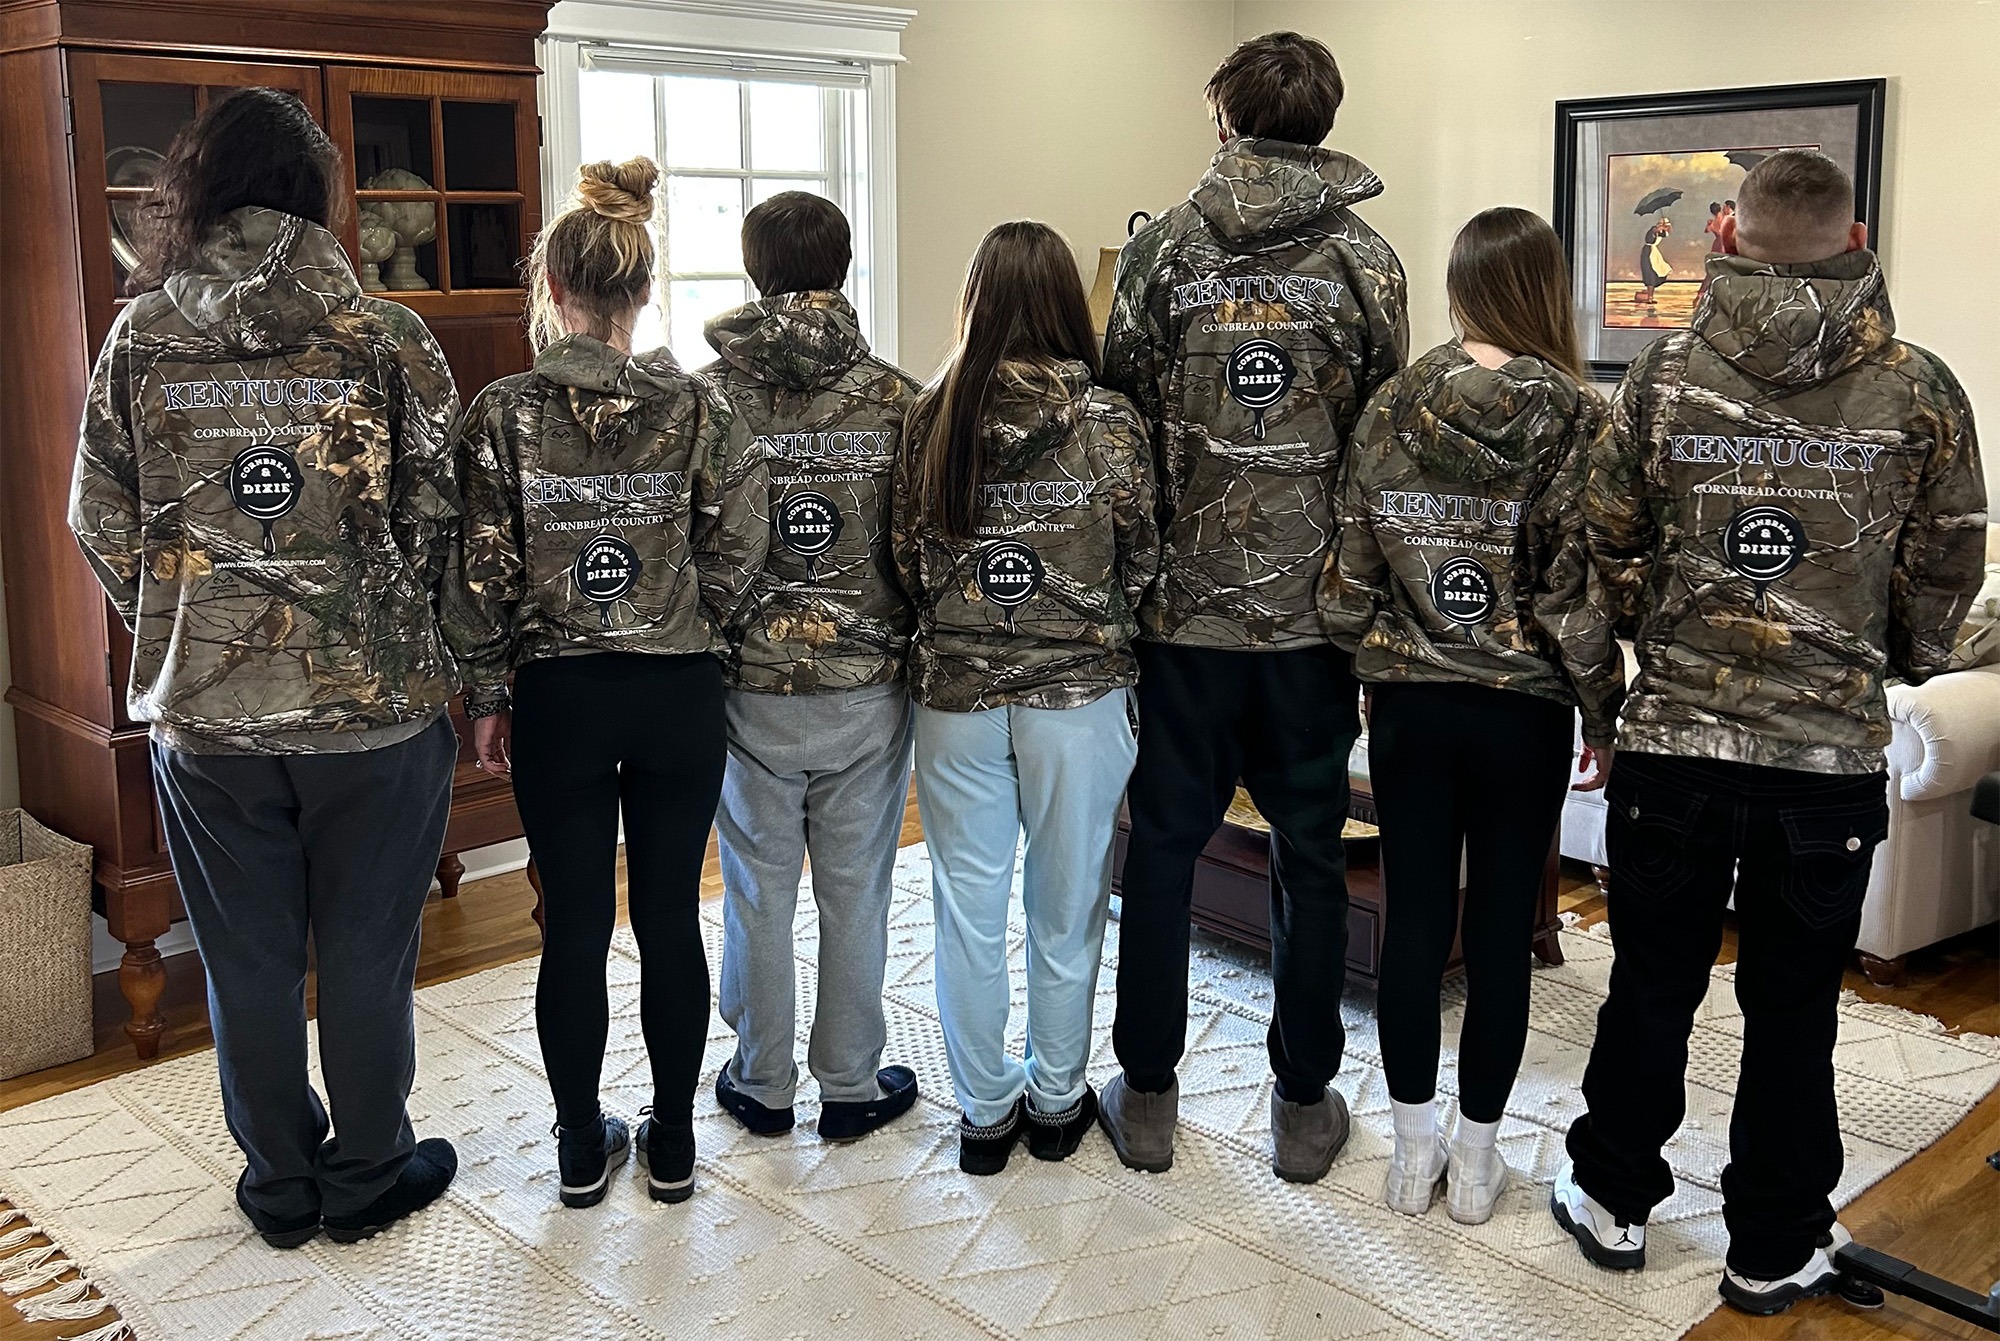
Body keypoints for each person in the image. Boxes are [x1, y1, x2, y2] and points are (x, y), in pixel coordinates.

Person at [1553, 149, 1986, 1314]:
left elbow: (1596, 553)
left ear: (1726, 239)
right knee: (1792, 1009)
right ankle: (1771, 1243)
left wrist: (1644, 664)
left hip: (1674, 744)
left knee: (1649, 983)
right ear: (1854, 242)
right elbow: (1948, 559)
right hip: (1825, 759)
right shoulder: (1918, 388)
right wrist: (1878, 659)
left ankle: (1613, 1200)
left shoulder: (1659, 379)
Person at [69, 88, 464, 1249]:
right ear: (321, 203)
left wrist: (180, 618)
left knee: (242, 960)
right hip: (375, 712)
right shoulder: (385, 337)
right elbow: (441, 515)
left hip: (206, 715)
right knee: (362, 954)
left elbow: (97, 513)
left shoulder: (139, 338)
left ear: (191, 195)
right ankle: (370, 1168)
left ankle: (281, 1183)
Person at [1100, 30, 1407, 1183]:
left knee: (1163, 854)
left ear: (1219, 118)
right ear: (1323, 120)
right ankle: (1299, 1100)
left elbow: (1120, 431)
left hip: (1179, 617)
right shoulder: (1365, 262)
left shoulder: (1158, 255)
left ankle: (1146, 1095)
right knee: (1311, 856)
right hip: (1310, 619)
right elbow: (1383, 445)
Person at [440, 158, 766, 1210]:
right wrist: (693, 619)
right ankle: (671, 1144)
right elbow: (743, 542)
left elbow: (477, 567)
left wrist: (487, 693)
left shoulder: (503, 412)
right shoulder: (700, 407)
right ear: (640, 291)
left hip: (560, 700)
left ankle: (581, 1147)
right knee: (671, 916)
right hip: (676, 694)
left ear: (554, 292)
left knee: (573, 923)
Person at [1323, 207, 1625, 1225]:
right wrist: (1602, 714)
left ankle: (1413, 1156)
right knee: (1498, 937)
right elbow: (1572, 599)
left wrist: (1358, 659)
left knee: (1410, 923)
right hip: (1522, 712)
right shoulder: (1580, 416)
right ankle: (1479, 1161)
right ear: (1546, 290)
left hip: (1407, 707)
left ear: (1455, 291)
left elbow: (1350, 569)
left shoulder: (1393, 402)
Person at [895, 221, 1159, 1176]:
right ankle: (1055, 1100)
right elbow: (1144, 558)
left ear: (976, 301)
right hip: (1079, 695)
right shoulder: (1110, 422)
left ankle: (981, 1110)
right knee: (1069, 899)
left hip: (956, 693)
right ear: (1061, 303)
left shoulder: (932, 413)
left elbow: (905, 559)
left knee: (967, 905)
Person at [701, 192, 923, 1143]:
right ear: (843, 268)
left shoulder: (705, 397)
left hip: (747, 682)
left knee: (758, 884)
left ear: (755, 273)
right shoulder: (899, 399)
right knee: (856, 887)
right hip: (866, 682)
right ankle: (847, 1081)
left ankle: (761, 1079)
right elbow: (919, 547)